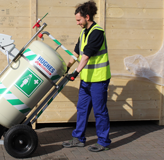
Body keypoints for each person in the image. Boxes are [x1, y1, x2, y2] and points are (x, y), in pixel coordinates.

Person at [62, 0, 111, 152]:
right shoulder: (84, 32)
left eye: (79, 20)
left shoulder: (97, 32)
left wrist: (75, 73)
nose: (77, 23)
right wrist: (66, 68)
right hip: (87, 79)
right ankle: (78, 138)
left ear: (87, 17)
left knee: (99, 111)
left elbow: (86, 56)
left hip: (99, 79)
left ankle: (103, 142)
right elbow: (76, 52)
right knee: (82, 108)